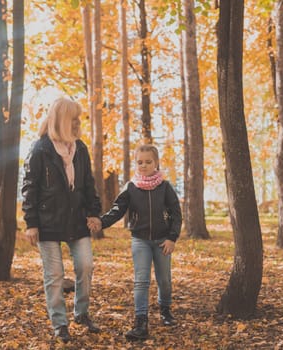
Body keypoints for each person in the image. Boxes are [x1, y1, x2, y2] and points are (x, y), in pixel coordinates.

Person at [21, 96, 102, 343]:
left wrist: (94, 212)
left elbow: (88, 184)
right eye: (74, 119)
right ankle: (59, 323)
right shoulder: (40, 150)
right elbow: (29, 188)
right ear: (62, 120)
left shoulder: (81, 149)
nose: (78, 123)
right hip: (47, 223)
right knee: (54, 274)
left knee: (85, 266)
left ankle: (82, 313)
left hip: (77, 221)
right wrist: (31, 223)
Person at [90, 144, 182, 341]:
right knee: (141, 281)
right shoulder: (131, 187)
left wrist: (172, 238)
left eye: (148, 162)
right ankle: (141, 322)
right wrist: (101, 222)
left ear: (156, 163)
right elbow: (117, 209)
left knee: (164, 280)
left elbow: (176, 213)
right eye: (140, 162)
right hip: (140, 240)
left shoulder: (165, 187)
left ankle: (165, 311)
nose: (144, 165)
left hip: (162, 241)